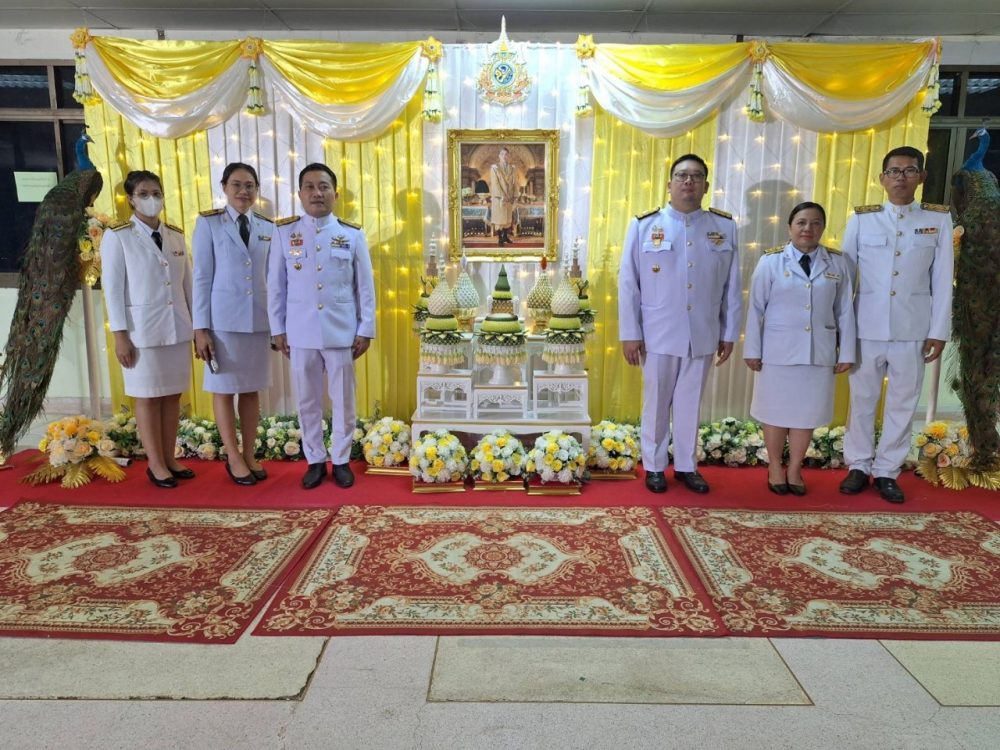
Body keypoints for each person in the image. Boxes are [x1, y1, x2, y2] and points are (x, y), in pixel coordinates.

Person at [619, 154, 743, 494]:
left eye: (696, 176)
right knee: (657, 402)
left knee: (690, 404)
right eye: (682, 175)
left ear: (706, 185)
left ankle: (687, 466)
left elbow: (732, 285)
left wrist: (729, 332)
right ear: (669, 183)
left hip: (702, 331)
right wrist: (630, 333)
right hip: (657, 332)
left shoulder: (723, 227)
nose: (688, 181)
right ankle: (655, 466)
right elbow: (629, 283)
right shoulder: (645, 225)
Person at [839, 146, 954, 503]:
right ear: (882, 178)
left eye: (909, 170)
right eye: (894, 171)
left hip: (912, 328)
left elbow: (942, 280)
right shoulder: (863, 219)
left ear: (921, 177)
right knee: (862, 400)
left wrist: (938, 331)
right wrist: (844, 331)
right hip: (866, 327)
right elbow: (846, 281)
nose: (901, 177)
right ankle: (858, 465)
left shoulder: (938, 219)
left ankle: (887, 470)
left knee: (903, 403)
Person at [267, 163, 376, 490]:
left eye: (324, 186)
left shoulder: (351, 234)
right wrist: (277, 329)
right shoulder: (284, 233)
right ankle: (314, 460)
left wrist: (365, 328)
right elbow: (276, 286)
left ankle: (340, 460)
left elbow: (364, 287)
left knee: (343, 400)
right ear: (300, 194)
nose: (317, 193)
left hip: (341, 331)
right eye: (310, 187)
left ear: (335, 193)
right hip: (299, 332)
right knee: (307, 400)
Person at [744, 202, 856, 496]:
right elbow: (755, 309)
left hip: (818, 352)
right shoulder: (770, 261)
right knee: (775, 412)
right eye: (802, 222)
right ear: (790, 227)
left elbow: (845, 311)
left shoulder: (837, 263)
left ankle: (795, 468)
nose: (808, 228)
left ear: (823, 227)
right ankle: (774, 467)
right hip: (777, 352)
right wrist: (752, 349)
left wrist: (846, 352)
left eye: (816, 223)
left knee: (806, 414)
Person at [101, 170, 194, 489]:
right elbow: (113, 290)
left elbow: (188, 286)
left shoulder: (175, 236)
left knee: (172, 395)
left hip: (177, 327)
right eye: (143, 193)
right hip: (141, 334)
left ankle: (169, 458)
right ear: (131, 199)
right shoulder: (119, 236)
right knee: (148, 397)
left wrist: (198, 327)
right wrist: (120, 335)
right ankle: (155, 464)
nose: (151, 199)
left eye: (156, 192)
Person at [192, 162, 274, 486]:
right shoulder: (209, 223)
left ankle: (249, 453)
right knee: (224, 390)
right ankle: (233, 456)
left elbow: (273, 277)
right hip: (222, 324)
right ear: (224, 187)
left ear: (257, 190)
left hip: (257, 320)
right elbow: (201, 277)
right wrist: (200, 328)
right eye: (237, 185)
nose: (244, 191)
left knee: (251, 390)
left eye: (250, 185)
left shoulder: (267, 226)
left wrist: (278, 324)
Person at [490, 146, 517, 245]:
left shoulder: (512, 168)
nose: (504, 156)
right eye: (502, 154)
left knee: (507, 219)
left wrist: (515, 195)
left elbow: (515, 183)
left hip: (509, 197)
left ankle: (505, 236)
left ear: (508, 156)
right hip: (499, 198)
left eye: (506, 154)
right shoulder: (495, 168)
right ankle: (500, 238)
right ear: (499, 156)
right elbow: (495, 183)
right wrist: (502, 195)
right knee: (499, 219)